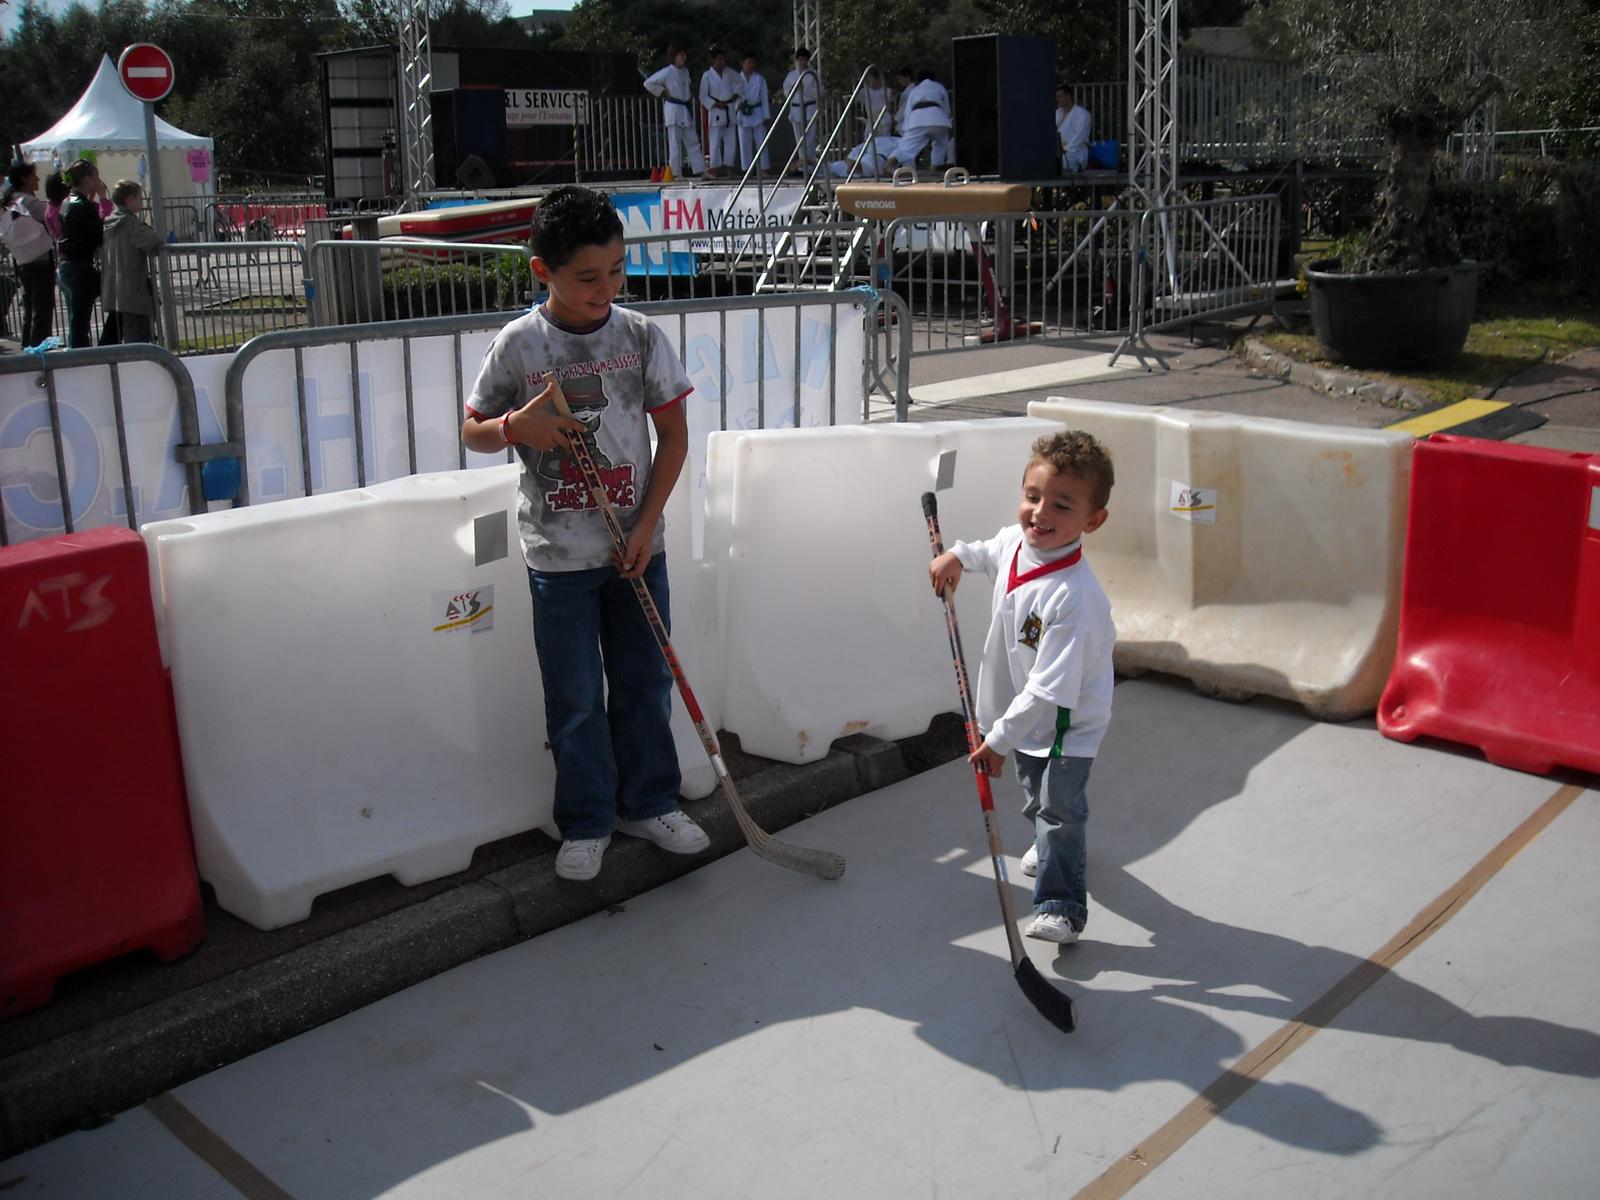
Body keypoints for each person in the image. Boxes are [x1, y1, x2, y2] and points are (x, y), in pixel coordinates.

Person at [459, 185, 709, 883]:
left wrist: (647, 525)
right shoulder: (519, 344)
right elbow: (473, 430)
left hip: (637, 549)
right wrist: (515, 427)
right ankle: (587, 820)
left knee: (644, 684)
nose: (607, 289)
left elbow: (674, 436)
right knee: (574, 700)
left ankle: (650, 802)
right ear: (543, 271)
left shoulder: (639, 335)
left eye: (617, 271)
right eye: (588, 277)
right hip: (558, 558)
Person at [927, 430, 1116, 944]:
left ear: (1093, 520)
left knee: (1059, 808)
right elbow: (990, 549)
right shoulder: (1018, 543)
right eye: (1033, 496)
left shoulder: (1073, 598)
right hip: (1024, 713)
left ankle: (1062, 908)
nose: (1040, 513)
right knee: (1036, 796)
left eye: (1061, 505)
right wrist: (959, 556)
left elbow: (1048, 691)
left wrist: (998, 740)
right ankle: (1051, 840)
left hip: (1067, 724)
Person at [99, 180, 165, 345]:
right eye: (139, 198)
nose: (142, 202)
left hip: (114, 289)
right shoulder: (130, 223)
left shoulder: (109, 222)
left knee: (118, 337)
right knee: (138, 339)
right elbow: (154, 240)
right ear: (129, 200)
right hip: (133, 290)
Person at [3, 160, 56, 349]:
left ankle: (28, 346)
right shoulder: (28, 202)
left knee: (30, 310)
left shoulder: (11, 201)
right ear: (24, 179)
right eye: (34, 176)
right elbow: (51, 219)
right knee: (42, 310)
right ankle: (39, 350)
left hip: (23, 260)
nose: (37, 179)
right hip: (40, 260)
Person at [57, 159, 107, 348]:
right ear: (86, 179)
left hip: (69, 265)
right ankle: (83, 354)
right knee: (80, 320)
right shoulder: (82, 206)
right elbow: (100, 232)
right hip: (79, 267)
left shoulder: (67, 202)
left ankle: (78, 352)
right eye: (96, 177)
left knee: (77, 319)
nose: (99, 181)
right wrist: (103, 199)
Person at [643, 46, 704, 180]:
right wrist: (662, 91)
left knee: (693, 140)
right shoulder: (667, 72)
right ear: (674, 57)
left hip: (684, 109)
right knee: (675, 143)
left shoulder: (685, 72)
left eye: (684, 55)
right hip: (673, 108)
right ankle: (676, 172)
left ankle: (700, 170)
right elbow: (648, 83)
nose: (684, 58)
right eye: (681, 55)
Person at [886, 68, 952, 174]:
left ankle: (890, 164)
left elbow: (908, 110)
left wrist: (906, 127)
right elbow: (946, 107)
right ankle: (935, 167)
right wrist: (946, 120)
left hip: (918, 120)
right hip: (938, 118)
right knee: (941, 143)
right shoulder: (939, 87)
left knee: (907, 147)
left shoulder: (915, 90)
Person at [699, 47, 741, 178]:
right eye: (719, 59)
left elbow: (740, 83)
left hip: (729, 108)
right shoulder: (707, 75)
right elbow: (703, 95)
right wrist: (715, 104)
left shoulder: (730, 73)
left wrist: (735, 95)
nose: (723, 62)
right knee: (715, 141)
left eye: (724, 59)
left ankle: (730, 169)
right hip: (716, 110)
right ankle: (713, 169)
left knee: (731, 142)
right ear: (713, 60)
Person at [782, 47, 820, 172]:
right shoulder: (791, 76)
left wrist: (806, 90)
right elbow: (786, 93)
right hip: (796, 109)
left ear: (808, 61)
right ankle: (803, 166)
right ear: (797, 60)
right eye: (801, 60)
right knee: (799, 140)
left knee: (810, 139)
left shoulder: (813, 74)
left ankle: (810, 165)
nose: (803, 62)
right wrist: (795, 88)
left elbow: (821, 92)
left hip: (809, 108)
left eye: (805, 60)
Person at [736, 53, 772, 172]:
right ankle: (746, 169)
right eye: (749, 62)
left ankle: (764, 168)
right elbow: (733, 97)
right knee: (744, 144)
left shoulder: (760, 79)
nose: (751, 65)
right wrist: (738, 106)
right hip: (743, 113)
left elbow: (764, 98)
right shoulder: (736, 79)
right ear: (742, 63)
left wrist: (766, 116)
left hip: (758, 112)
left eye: (753, 62)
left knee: (761, 142)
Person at [1056, 84, 1092, 173]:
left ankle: (1076, 167)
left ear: (1068, 97)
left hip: (1075, 151)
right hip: (1057, 150)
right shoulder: (1056, 113)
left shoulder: (1083, 114)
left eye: (1059, 96)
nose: (1057, 99)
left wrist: (1065, 149)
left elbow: (1079, 137)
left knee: (1063, 162)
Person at [863, 68, 893, 137]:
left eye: (872, 79)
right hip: (872, 120)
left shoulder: (886, 91)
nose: (870, 82)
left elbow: (891, 96)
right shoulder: (866, 91)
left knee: (883, 138)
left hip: (883, 119)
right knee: (868, 137)